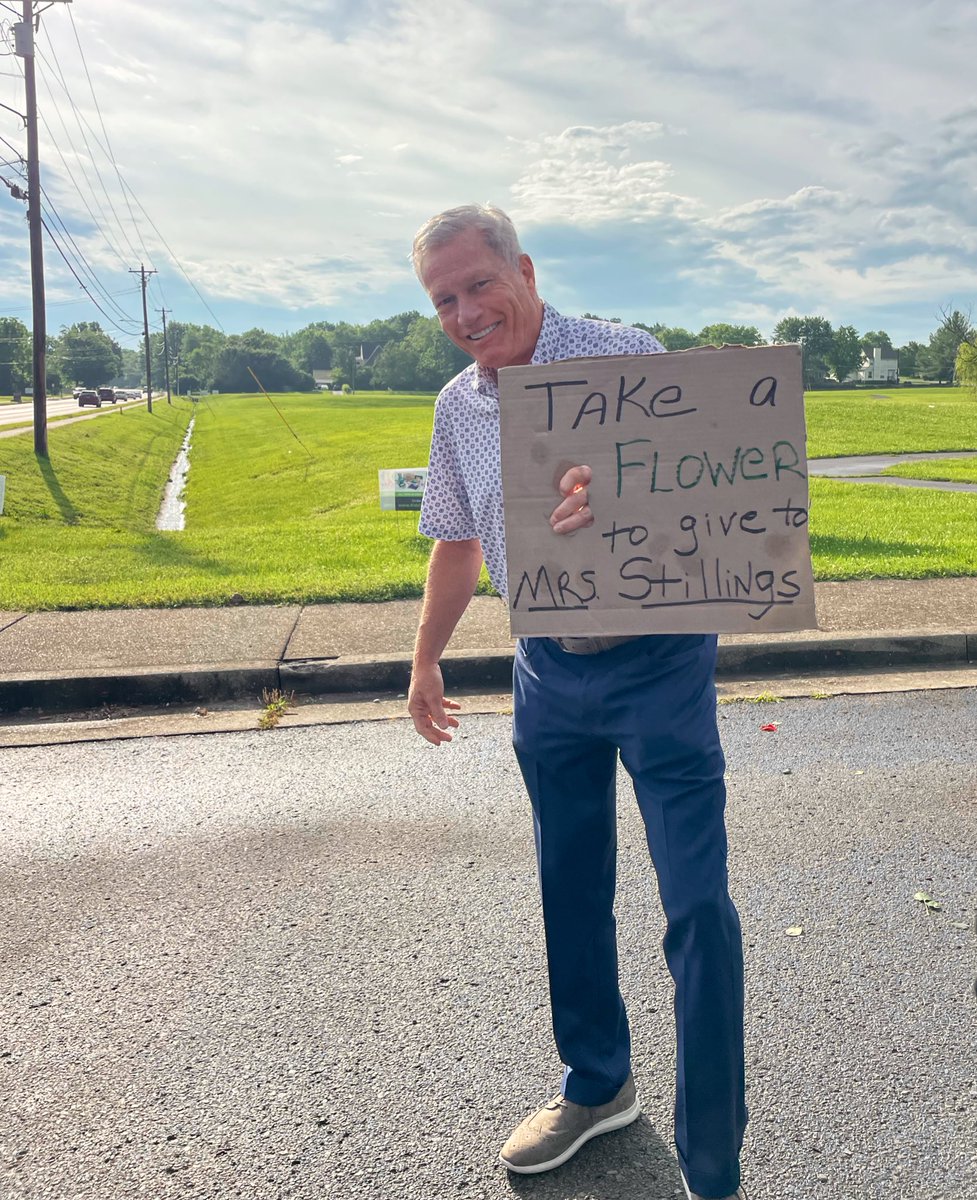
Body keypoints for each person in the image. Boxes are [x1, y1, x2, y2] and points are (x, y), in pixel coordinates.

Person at [407, 204, 747, 1200]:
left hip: (658, 660)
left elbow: (709, 494)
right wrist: (425, 658)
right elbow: (458, 540)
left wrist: (626, 500)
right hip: (545, 666)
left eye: (477, 283)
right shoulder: (456, 408)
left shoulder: (621, 356)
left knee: (694, 906)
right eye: (442, 299)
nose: (466, 311)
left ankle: (713, 1160)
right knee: (568, 885)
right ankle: (598, 1085)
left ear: (522, 267)